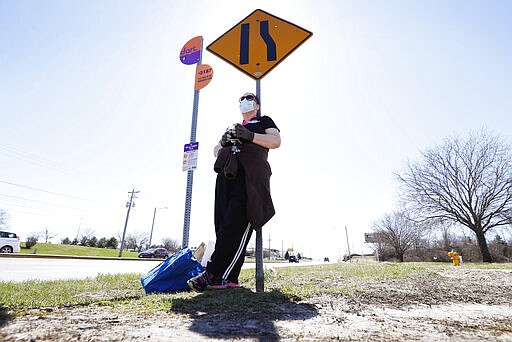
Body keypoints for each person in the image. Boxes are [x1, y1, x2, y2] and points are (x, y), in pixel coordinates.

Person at [187, 92, 281, 292]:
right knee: (222, 225)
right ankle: (224, 276)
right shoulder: (232, 127)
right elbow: (215, 151)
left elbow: (275, 141)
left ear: (256, 105)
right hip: (227, 176)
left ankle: (215, 274)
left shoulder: (263, 120)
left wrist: (249, 136)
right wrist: (222, 142)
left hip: (249, 178)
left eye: (248, 99)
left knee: (235, 223)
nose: (244, 103)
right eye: (241, 101)